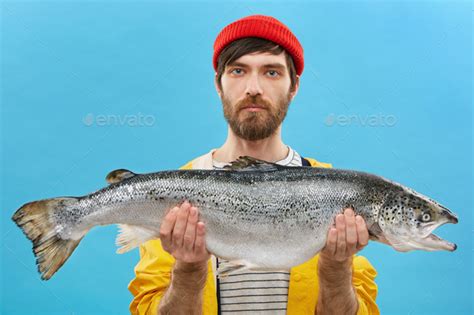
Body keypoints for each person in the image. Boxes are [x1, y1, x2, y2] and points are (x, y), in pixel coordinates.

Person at [128, 15, 379, 315]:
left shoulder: (336, 195)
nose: (254, 88)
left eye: (271, 72)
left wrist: (336, 271)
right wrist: (188, 272)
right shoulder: (172, 195)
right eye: (238, 71)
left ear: (294, 86)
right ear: (218, 84)